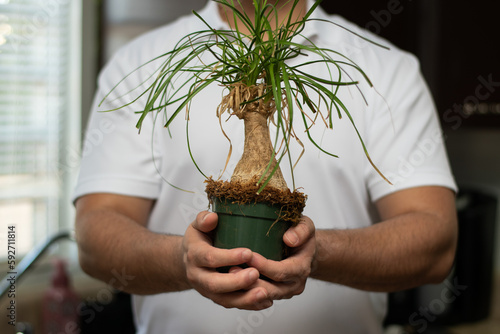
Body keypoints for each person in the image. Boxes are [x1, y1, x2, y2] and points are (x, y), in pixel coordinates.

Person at [73, 0, 458, 333]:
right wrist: (183, 261)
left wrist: (316, 252)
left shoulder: (385, 68)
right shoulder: (141, 63)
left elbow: (436, 243)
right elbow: (94, 238)